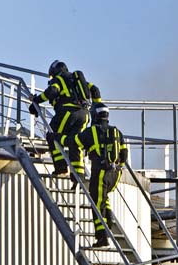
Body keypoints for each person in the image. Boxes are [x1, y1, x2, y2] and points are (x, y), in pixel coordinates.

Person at [63, 103, 128, 247]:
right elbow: (124, 153)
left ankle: (102, 237)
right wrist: (119, 167)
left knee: (97, 204)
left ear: (94, 115)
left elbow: (73, 142)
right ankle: (108, 226)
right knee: (103, 200)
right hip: (115, 174)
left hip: (100, 172)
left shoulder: (91, 132)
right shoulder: (117, 132)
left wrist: (57, 137)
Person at [28, 60, 102, 178]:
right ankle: (78, 175)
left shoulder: (59, 79)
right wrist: (96, 111)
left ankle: (61, 167)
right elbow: (95, 90)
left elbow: (52, 91)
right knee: (75, 142)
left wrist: (36, 100)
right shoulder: (77, 80)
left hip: (67, 113)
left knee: (53, 136)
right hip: (84, 114)